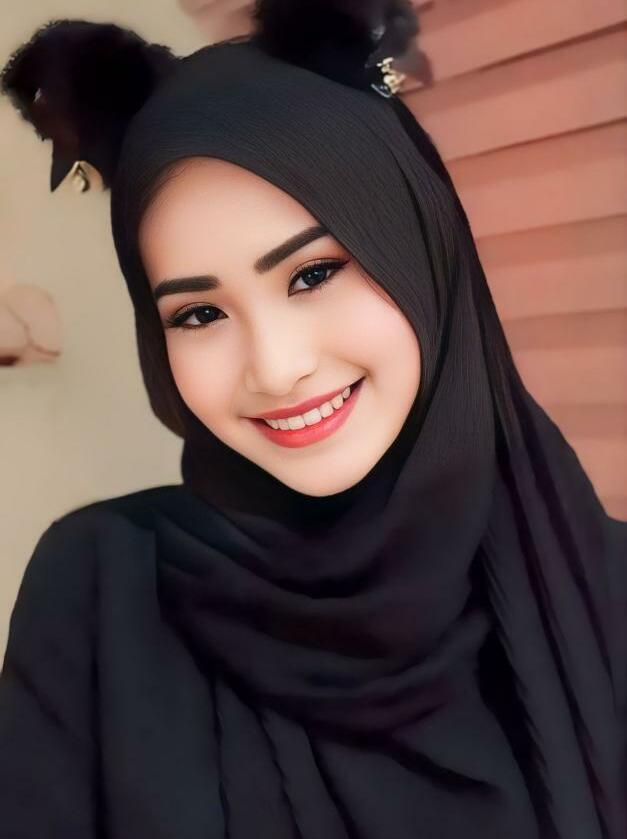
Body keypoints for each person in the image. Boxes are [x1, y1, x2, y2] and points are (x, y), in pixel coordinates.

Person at [0, 5, 625, 838]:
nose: (275, 366)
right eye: (197, 314)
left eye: (313, 273)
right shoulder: (98, 592)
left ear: (422, 250)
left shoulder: (604, 591)